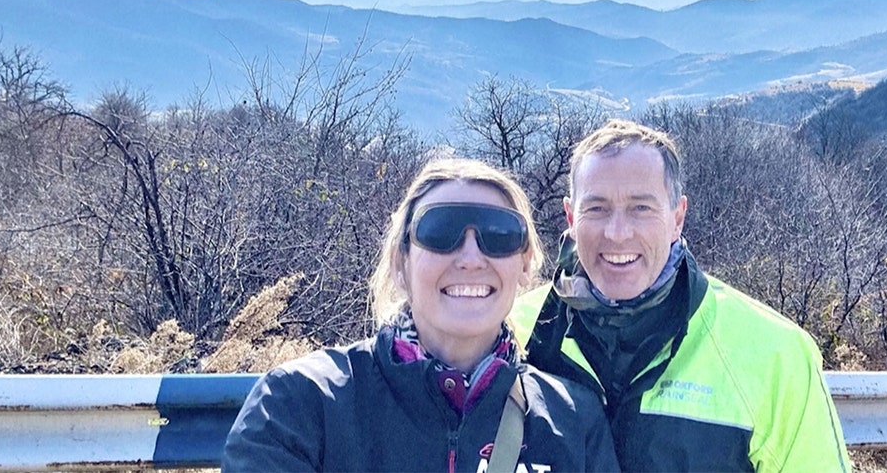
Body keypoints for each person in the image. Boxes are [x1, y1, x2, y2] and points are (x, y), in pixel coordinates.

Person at [223, 158, 619, 472]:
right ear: (400, 262)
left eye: (499, 236)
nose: (470, 258)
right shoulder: (302, 404)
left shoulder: (573, 421)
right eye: (440, 232)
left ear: (525, 266)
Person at [510, 119, 852, 472]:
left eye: (641, 208)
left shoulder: (774, 353)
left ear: (678, 218)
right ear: (570, 217)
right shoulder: (515, 334)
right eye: (596, 208)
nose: (617, 232)